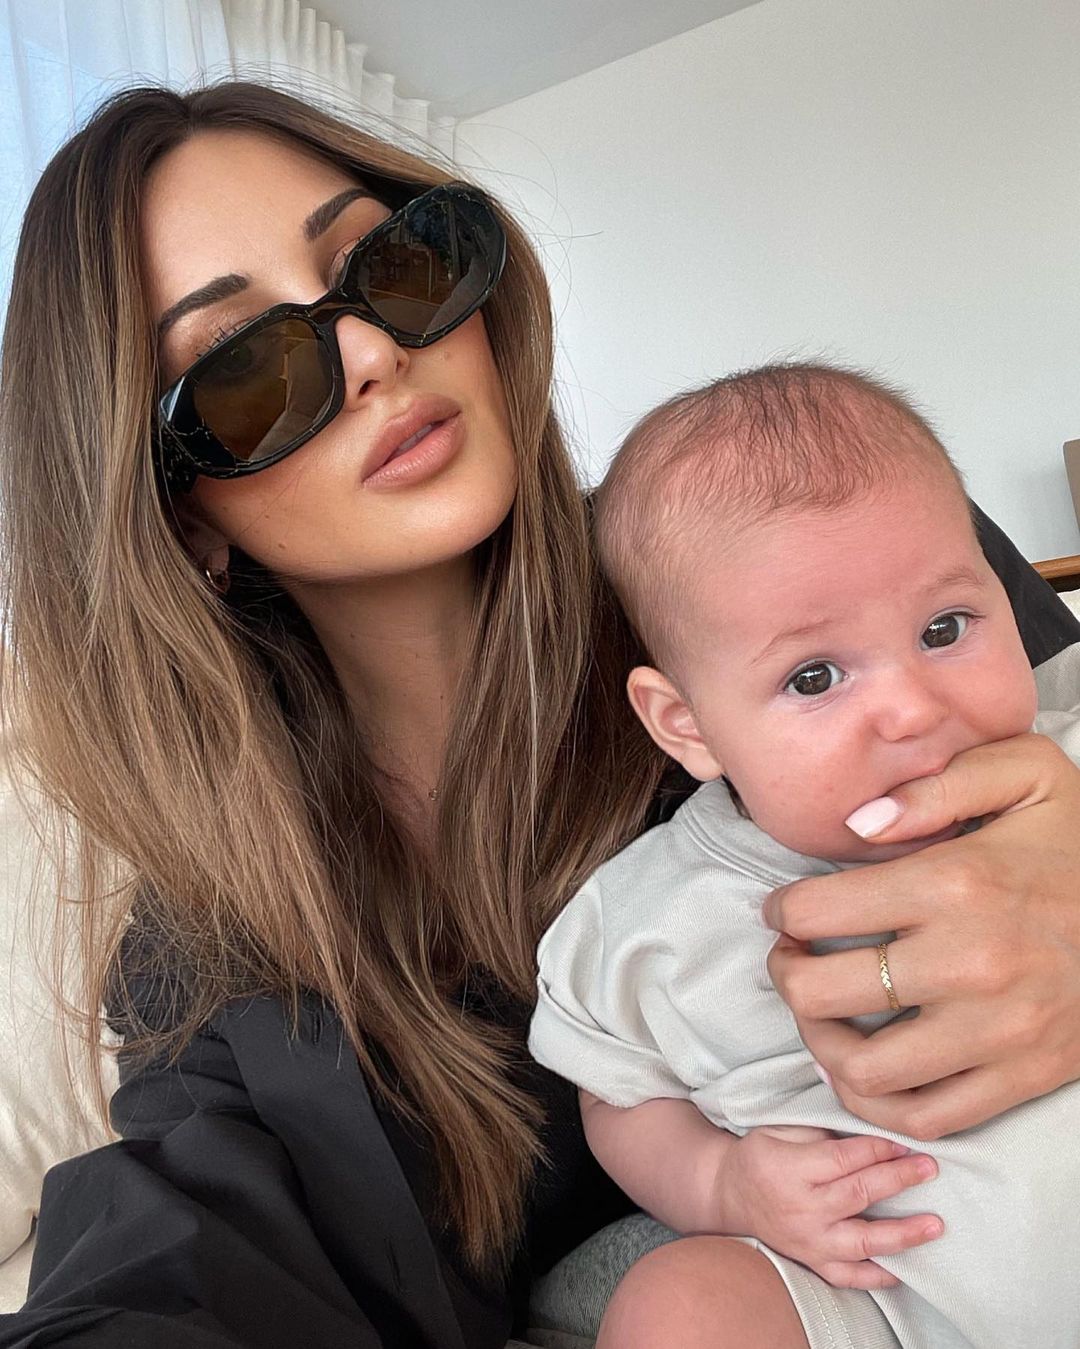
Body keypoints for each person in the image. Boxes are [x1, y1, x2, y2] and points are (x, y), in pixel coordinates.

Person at [0, 81, 1077, 1348]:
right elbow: (175, 1267)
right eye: (244, 369)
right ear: (180, 516)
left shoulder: (817, 560)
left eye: (391, 267)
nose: (369, 352)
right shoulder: (210, 945)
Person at [528, 363, 1080, 1349]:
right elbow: (618, 1090)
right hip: (890, 1301)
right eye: (815, 676)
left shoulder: (1065, 766)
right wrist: (720, 1182)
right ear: (687, 724)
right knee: (679, 1306)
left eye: (945, 628)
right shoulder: (652, 914)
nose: (912, 707)